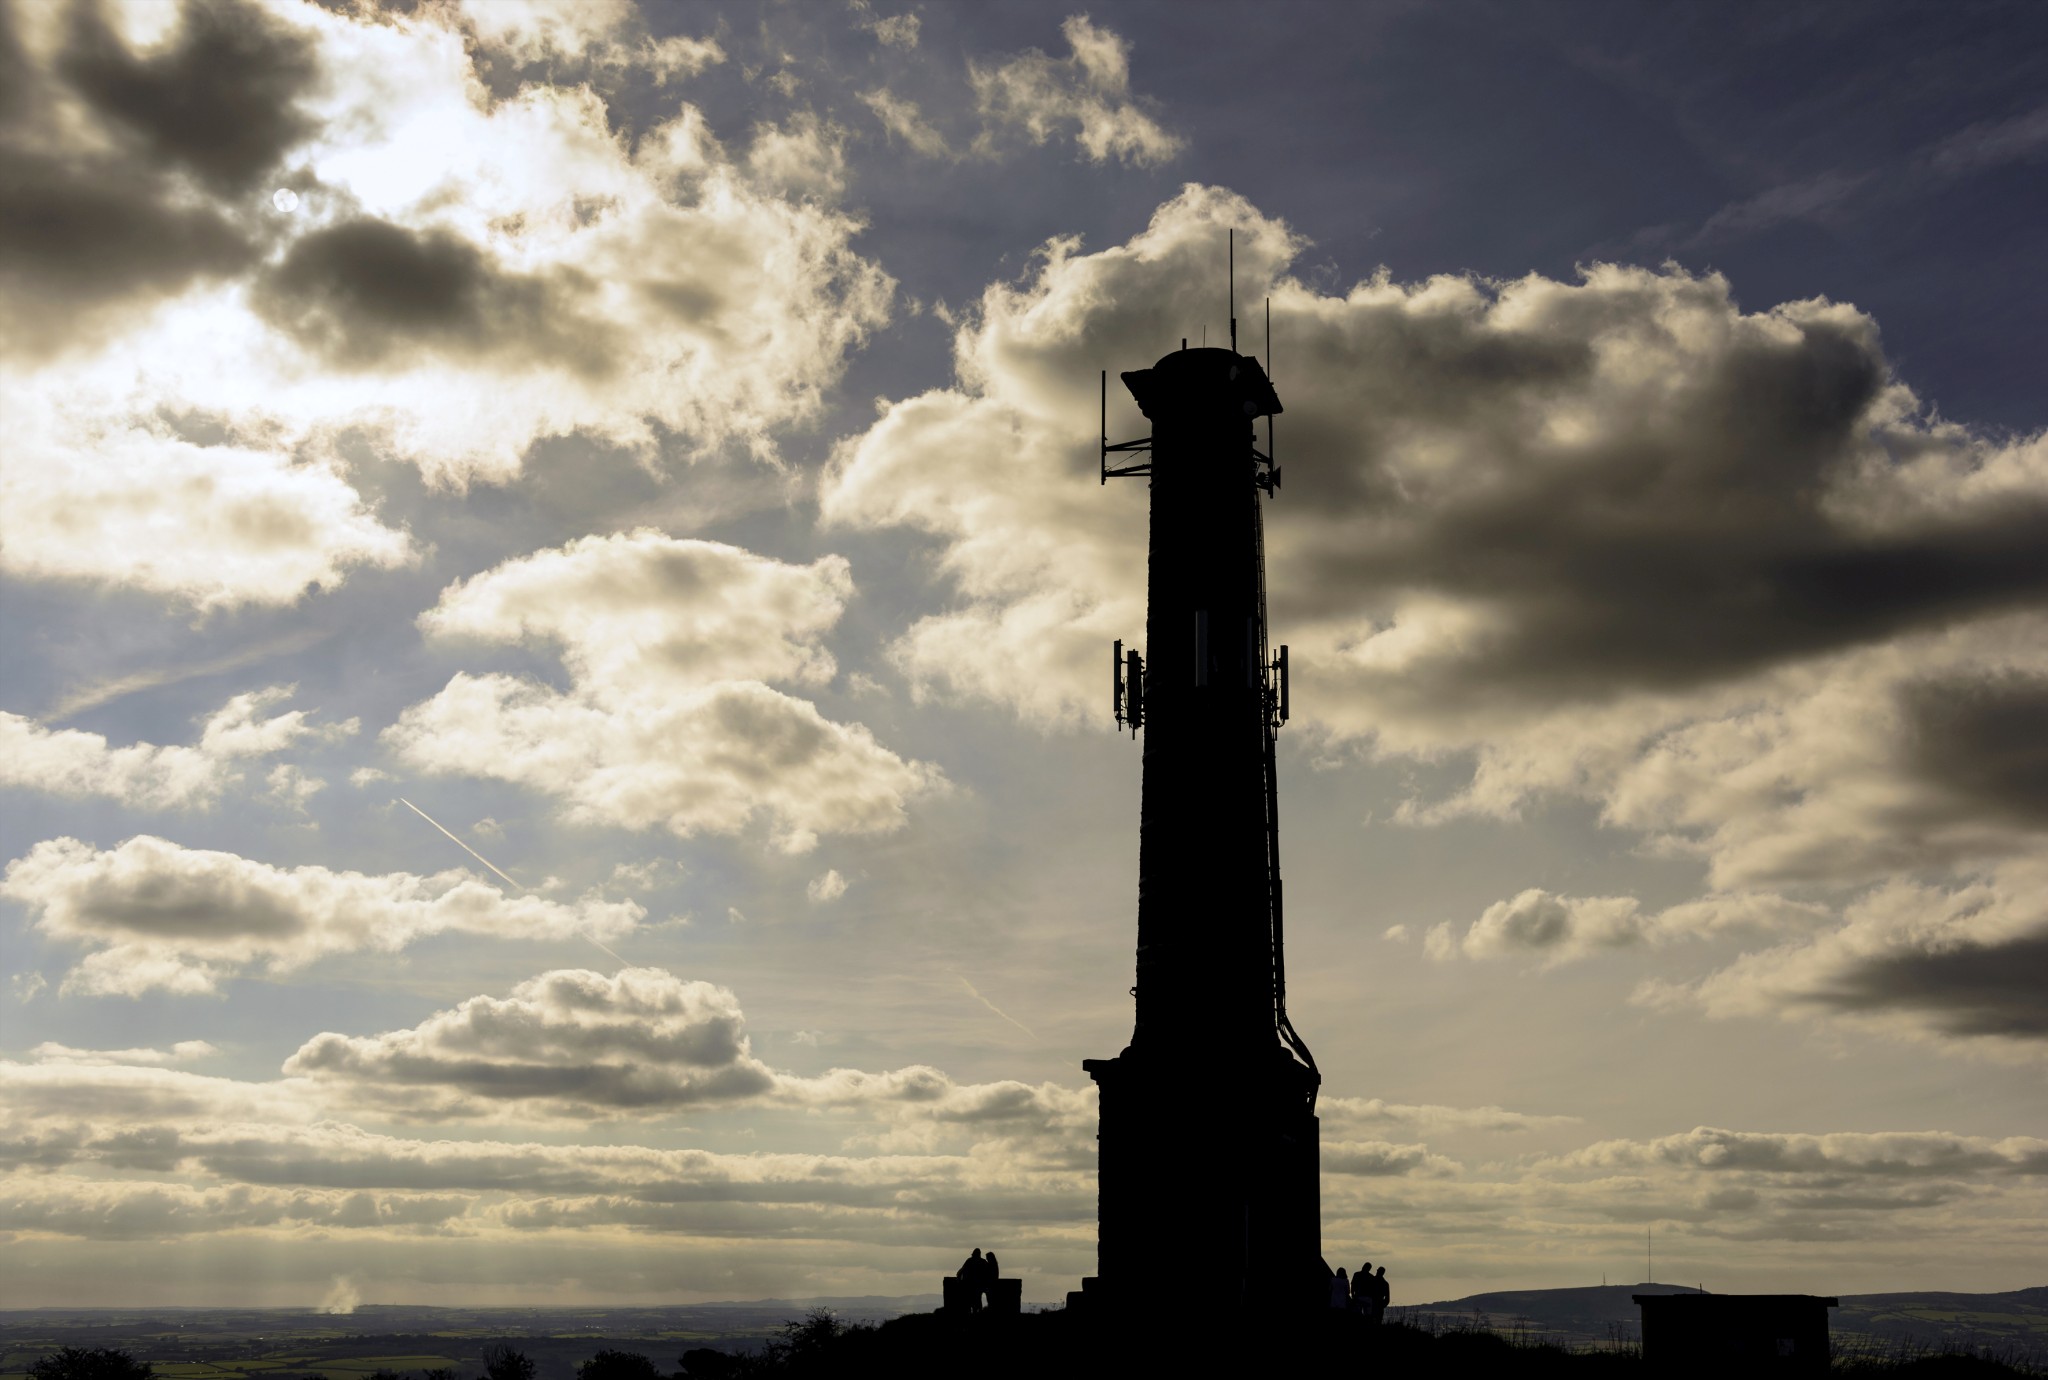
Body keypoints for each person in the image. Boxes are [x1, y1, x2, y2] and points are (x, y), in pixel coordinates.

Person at [958, 1248, 986, 1314]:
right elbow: (989, 1271)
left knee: (969, 1301)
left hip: (969, 1285)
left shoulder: (969, 1261)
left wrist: (959, 1279)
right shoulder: (983, 1262)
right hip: (979, 1285)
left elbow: (961, 1271)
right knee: (978, 1300)